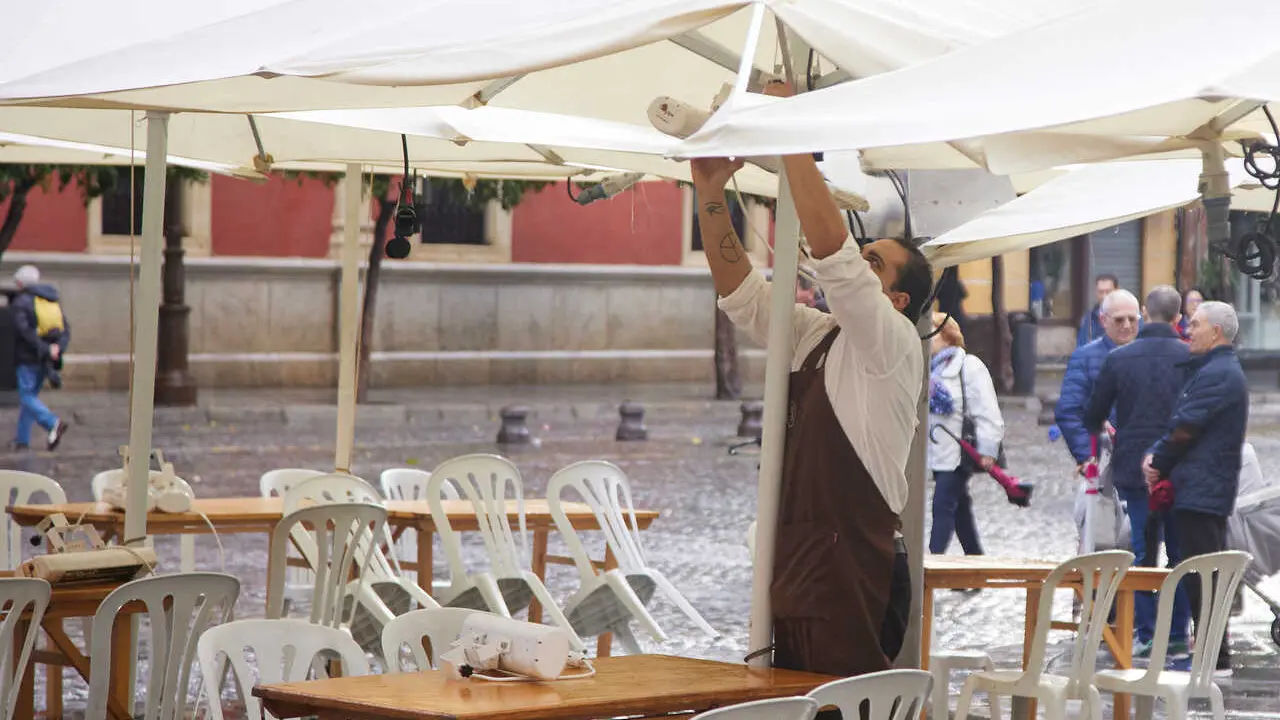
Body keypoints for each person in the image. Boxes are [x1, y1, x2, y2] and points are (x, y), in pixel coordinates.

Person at [690, 79, 932, 678]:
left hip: (856, 569)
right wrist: (709, 193)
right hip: (800, 568)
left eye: (873, 261)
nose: (855, 262)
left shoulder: (893, 342)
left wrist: (793, 128)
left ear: (897, 299)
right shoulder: (816, 333)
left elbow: (836, 261)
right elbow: (742, 295)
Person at [1084, 285, 1192, 661]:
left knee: (1143, 551)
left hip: (1134, 468)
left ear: (1145, 312)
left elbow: (1093, 414)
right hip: (1179, 467)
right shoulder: (1191, 356)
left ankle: (1147, 631)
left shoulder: (1120, 358)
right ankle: (1178, 633)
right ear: (1178, 317)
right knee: (1180, 554)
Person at [1144, 301, 1249, 676]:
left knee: (1203, 575)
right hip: (1199, 486)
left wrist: (1158, 463)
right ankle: (1210, 654)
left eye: (1196, 323)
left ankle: (1212, 658)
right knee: (1199, 573)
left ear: (1216, 332)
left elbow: (1187, 426)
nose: (1188, 328)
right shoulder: (1211, 368)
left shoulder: (1219, 372)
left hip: (1203, 490)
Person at [927, 313, 1004, 558]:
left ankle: (928, 568)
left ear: (947, 337)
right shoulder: (931, 370)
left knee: (943, 507)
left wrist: (988, 449)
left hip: (959, 453)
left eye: (933, 332)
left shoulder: (969, 365)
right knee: (960, 511)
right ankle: (976, 562)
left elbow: (987, 410)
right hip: (937, 452)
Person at [1056, 289, 1141, 474]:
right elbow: (1069, 410)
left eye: (1132, 319)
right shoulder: (1085, 357)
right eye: (1119, 319)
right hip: (1104, 462)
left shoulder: (1150, 354)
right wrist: (1087, 456)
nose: (1127, 325)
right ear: (1103, 320)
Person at [10, 265, 70, 452]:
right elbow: (65, 329)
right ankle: (22, 441)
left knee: (26, 396)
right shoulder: (50, 300)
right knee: (31, 397)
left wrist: (43, 348)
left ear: (20, 283)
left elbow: (24, 332)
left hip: (28, 357)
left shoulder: (21, 302)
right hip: (45, 359)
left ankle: (53, 422)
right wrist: (55, 349)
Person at [1077, 273, 1119, 347]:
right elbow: (1082, 346)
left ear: (1117, 291)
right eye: (1100, 292)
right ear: (1096, 292)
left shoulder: (1131, 316)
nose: (1104, 296)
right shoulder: (1089, 318)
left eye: (1108, 292)